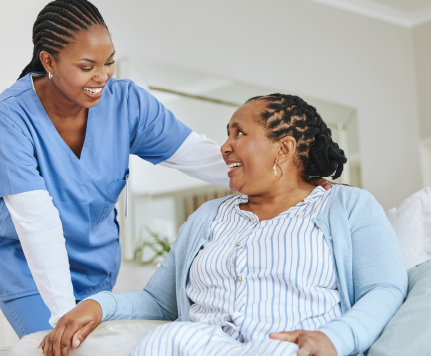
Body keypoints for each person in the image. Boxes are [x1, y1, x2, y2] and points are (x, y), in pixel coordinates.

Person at [0, 0, 332, 338]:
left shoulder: (126, 103)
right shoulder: (9, 118)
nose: (102, 76)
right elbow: (36, 222)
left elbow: (196, 155)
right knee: (63, 345)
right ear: (49, 61)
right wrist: (62, 318)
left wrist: (291, 178)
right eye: (87, 66)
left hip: (96, 265)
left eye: (109, 62)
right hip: (25, 264)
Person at [40, 94, 408, 356]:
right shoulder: (207, 217)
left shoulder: (347, 206)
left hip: (288, 346)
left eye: (239, 133)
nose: (225, 147)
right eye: (227, 135)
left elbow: (385, 288)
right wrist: (98, 306)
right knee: (167, 340)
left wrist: (335, 339)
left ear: (284, 148)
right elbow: (159, 300)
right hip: (198, 346)